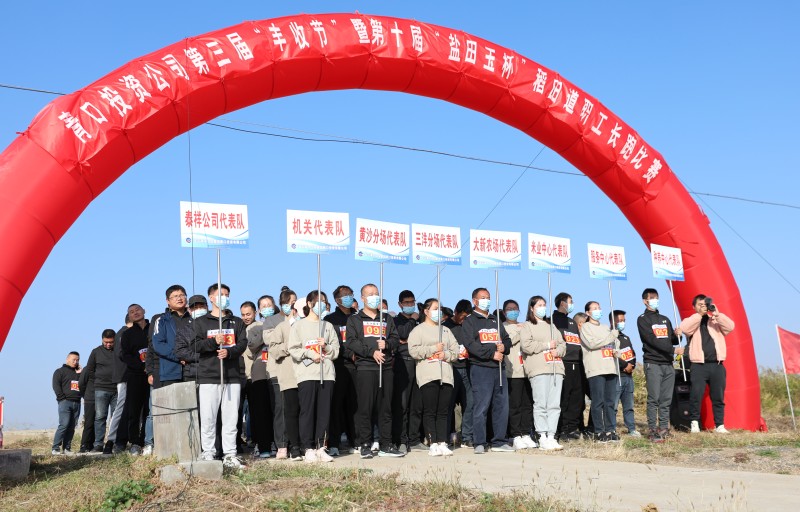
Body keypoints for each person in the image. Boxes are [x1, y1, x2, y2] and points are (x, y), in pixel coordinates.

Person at [177, 283, 247, 468]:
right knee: (208, 418)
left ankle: (230, 454)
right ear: (211, 297)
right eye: (220, 294)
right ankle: (208, 452)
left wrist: (229, 352)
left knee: (231, 418)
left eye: (227, 294)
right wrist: (213, 342)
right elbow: (194, 345)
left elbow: (242, 344)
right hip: (209, 375)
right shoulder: (200, 322)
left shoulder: (236, 321)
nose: (224, 297)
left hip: (232, 376)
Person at [347, 283, 404, 459]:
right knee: (365, 408)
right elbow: (351, 342)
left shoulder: (386, 318)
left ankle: (386, 444)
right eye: (370, 294)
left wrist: (387, 344)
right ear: (363, 298)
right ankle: (364, 444)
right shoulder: (355, 320)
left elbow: (395, 338)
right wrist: (371, 352)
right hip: (365, 367)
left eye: (376, 293)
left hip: (385, 368)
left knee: (385, 407)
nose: (374, 297)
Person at [459, 287, 514, 454]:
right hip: (481, 368)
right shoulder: (470, 321)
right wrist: (491, 354)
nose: (486, 300)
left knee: (501, 406)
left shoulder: (495, 320)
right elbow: (470, 344)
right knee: (481, 406)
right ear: (475, 301)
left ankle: (499, 441)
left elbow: (507, 340)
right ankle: (479, 442)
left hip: (499, 369)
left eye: (488, 297)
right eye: (483, 297)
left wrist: (504, 347)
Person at [288, 291, 340, 462]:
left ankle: (321, 447)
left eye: (324, 301)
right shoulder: (298, 326)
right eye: (318, 301)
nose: (321, 304)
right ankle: (307, 447)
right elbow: (293, 349)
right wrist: (311, 354)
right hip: (307, 374)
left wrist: (326, 347)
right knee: (308, 411)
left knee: (324, 412)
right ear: (309, 304)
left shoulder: (328, 326)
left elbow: (336, 351)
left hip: (327, 374)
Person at [408, 299, 459, 457]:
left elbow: (456, 350)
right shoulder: (418, 330)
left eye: (440, 309)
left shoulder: (446, 331)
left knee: (443, 411)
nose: (439, 312)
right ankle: (432, 442)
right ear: (426, 311)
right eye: (435, 308)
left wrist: (446, 354)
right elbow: (413, 351)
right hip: (428, 375)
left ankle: (442, 442)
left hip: (446, 375)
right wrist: (433, 349)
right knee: (430, 411)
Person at [145, 285, 192, 456]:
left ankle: (187, 447)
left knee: (188, 410)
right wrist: (179, 356)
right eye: (175, 296)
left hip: (191, 370)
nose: (180, 298)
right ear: (168, 301)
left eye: (182, 295)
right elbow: (157, 344)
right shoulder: (161, 320)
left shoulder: (193, 318)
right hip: (169, 370)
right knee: (163, 411)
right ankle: (156, 445)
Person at [680, 295, 735, 434]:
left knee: (718, 396)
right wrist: (699, 315)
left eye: (705, 304)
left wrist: (717, 313)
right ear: (694, 307)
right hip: (698, 365)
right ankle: (694, 423)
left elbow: (730, 327)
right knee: (696, 395)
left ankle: (719, 425)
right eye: (700, 304)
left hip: (717, 364)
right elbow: (684, 328)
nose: (703, 306)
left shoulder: (715, 320)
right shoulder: (692, 320)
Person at [637, 288, 683, 443]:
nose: (655, 300)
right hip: (653, 362)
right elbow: (651, 340)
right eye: (652, 298)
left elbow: (672, 340)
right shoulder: (643, 319)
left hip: (668, 363)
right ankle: (652, 429)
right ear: (645, 301)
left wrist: (677, 335)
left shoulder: (665, 319)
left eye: (656, 297)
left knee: (666, 398)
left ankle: (664, 427)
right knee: (654, 398)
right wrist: (673, 349)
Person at [520, 296, 566, 451]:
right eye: (539, 305)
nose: (542, 307)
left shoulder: (551, 326)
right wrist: (546, 345)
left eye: (544, 305)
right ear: (532, 308)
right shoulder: (527, 326)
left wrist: (557, 351)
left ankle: (551, 435)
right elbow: (526, 346)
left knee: (554, 405)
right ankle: (542, 436)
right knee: (541, 404)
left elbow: (562, 344)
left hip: (556, 368)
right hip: (539, 369)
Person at [268, 287, 303, 461]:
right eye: (290, 302)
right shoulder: (279, 325)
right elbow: (273, 349)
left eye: (295, 302)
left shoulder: (304, 324)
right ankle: (285, 445)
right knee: (285, 410)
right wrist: (290, 346)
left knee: (303, 410)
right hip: (286, 373)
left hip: (305, 373)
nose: (293, 305)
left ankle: (304, 444)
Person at [580, 301, 620, 443]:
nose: (598, 310)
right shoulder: (586, 327)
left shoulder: (605, 328)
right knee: (598, 401)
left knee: (610, 402)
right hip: (596, 368)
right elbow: (592, 343)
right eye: (595, 308)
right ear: (588, 312)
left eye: (599, 307)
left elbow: (614, 342)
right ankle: (598, 431)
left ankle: (610, 430)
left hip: (610, 367)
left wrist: (616, 349)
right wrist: (611, 337)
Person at [325, 285, 358, 456]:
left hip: (357, 366)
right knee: (336, 406)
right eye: (345, 295)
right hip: (339, 365)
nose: (348, 297)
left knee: (355, 405)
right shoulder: (330, 319)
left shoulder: (358, 317)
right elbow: (333, 343)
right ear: (337, 300)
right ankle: (334, 443)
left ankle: (356, 441)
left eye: (350, 294)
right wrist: (349, 354)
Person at [246, 294, 277, 458]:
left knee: (276, 409)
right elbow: (251, 346)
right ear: (258, 310)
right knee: (261, 410)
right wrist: (266, 329)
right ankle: (262, 444)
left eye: (269, 305)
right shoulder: (254, 327)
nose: (267, 308)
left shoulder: (281, 323)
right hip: (260, 372)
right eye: (263, 306)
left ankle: (277, 442)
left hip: (277, 370)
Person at [392, 290, 423, 453]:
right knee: (402, 405)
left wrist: (407, 339)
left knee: (416, 405)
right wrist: (412, 320)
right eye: (407, 302)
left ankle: (415, 439)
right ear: (400, 304)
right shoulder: (395, 320)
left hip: (419, 364)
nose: (410, 305)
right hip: (403, 363)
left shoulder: (420, 321)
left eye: (412, 302)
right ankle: (401, 440)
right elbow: (402, 334)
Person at [503, 299, 535, 450]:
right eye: (509, 309)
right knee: (514, 405)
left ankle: (526, 433)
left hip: (526, 370)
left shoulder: (524, 325)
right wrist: (520, 331)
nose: (513, 311)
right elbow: (508, 342)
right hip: (513, 371)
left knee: (527, 404)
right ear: (504, 312)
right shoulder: (502, 327)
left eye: (515, 308)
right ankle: (515, 435)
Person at [553, 292, 585, 441]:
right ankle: (559, 429)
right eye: (570, 301)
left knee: (576, 399)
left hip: (577, 364)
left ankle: (571, 429)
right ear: (562, 303)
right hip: (563, 363)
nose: (572, 304)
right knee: (563, 398)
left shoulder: (572, 322)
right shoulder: (552, 320)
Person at [119, 304, 150, 455]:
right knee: (134, 410)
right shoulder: (127, 334)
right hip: (135, 375)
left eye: (137, 310)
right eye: (131, 312)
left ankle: (147, 440)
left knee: (149, 410)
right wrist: (141, 366)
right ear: (129, 317)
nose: (135, 313)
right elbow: (125, 355)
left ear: (144, 311)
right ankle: (135, 442)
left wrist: (150, 367)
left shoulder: (154, 328)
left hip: (153, 375)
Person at [445, 299, 474, 447]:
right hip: (452, 369)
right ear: (455, 313)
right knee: (449, 404)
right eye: (462, 317)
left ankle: (467, 436)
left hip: (468, 368)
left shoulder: (470, 325)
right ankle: (447, 436)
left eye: (466, 317)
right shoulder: (445, 327)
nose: (464, 320)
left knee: (469, 403)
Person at [84, 329, 117, 452]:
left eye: (111, 342)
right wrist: (98, 380)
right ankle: (98, 444)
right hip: (101, 389)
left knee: (115, 417)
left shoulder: (119, 351)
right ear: (102, 340)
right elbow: (90, 370)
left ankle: (113, 443)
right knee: (100, 417)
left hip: (117, 389)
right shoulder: (96, 352)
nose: (108, 344)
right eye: (106, 342)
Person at [105, 313, 132, 454]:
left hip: (128, 376)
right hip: (125, 376)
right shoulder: (124, 334)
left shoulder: (122, 333)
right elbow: (123, 354)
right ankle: (111, 439)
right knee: (120, 407)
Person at [610, 310, 639, 437]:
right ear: (612, 321)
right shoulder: (610, 337)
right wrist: (624, 365)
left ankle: (631, 428)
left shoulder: (626, 338)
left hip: (628, 377)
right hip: (617, 377)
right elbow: (612, 355)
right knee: (613, 405)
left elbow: (633, 354)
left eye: (624, 320)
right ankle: (611, 429)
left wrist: (632, 365)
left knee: (629, 406)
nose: (623, 323)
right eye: (620, 320)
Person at [51, 351, 82, 455]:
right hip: (65, 402)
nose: (75, 362)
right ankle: (55, 448)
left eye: (77, 360)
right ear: (67, 359)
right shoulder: (59, 371)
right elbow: (56, 386)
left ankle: (67, 448)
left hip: (77, 403)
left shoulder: (78, 373)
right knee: (64, 425)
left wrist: (80, 373)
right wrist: (62, 399)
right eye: (74, 359)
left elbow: (83, 384)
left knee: (72, 427)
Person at [78, 348, 96, 453]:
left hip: (101, 399)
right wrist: (85, 395)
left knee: (98, 423)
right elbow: (81, 383)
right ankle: (84, 445)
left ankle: (93, 444)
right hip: (90, 399)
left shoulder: (102, 369)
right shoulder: (87, 369)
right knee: (89, 422)